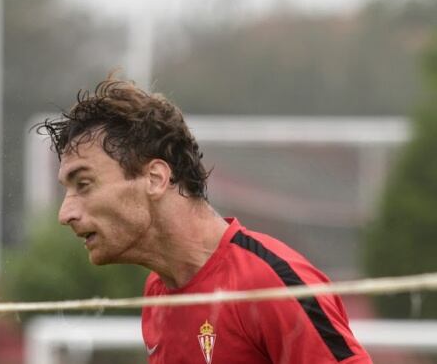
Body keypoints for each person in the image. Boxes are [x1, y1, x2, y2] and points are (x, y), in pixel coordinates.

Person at [36, 74, 371, 363]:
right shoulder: (158, 291)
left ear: (155, 178)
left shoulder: (269, 283)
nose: (65, 214)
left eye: (84, 184)